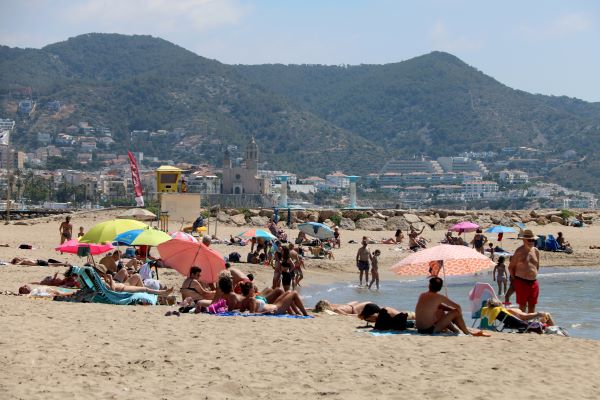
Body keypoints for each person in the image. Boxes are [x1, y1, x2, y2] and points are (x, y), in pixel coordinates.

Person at [415, 277, 488, 336]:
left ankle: (455, 330)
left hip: (420, 329)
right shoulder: (439, 297)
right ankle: (466, 332)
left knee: (440, 311)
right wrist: (457, 314)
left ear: (429, 285)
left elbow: (439, 306)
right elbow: (458, 307)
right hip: (429, 330)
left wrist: (450, 310)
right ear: (440, 288)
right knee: (456, 311)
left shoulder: (422, 295)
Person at [508, 229, 541, 313]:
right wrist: (514, 280)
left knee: (532, 306)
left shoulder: (536, 251)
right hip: (521, 281)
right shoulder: (519, 251)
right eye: (529, 240)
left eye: (533, 240)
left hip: (533, 282)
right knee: (522, 306)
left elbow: (537, 266)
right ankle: (522, 324)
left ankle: (531, 325)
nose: (531, 242)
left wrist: (532, 274)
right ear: (523, 240)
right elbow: (511, 267)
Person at [94, 264, 173, 296]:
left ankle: (162, 293)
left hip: (123, 285)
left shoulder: (100, 280)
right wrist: (111, 279)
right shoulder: (101, 281)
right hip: (122, 289)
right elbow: (112, 291)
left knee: (137, 276)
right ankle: (162, 293)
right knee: (144, 289)